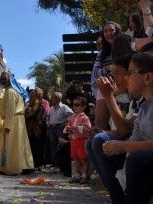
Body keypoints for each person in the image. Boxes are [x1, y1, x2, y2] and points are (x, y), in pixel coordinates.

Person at [86, 54, 144, 204]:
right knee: (93, 139)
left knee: (99, 141)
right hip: (132, 143)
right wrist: (100, 131)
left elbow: (125, 131)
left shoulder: (141, 99)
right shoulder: (135, 100)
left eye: (118, 73)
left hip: (138, 148)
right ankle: (116, 194)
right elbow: (123, 130)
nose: (115, 79)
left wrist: (108, 96)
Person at [102, 52, 153, 204]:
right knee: (102, 146)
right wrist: (115, 147)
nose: (125, 78)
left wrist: (123, 146)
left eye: (130, 73)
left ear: (148, 77)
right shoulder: (144, 108)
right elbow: (134, 138)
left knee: (138, 158)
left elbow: (128, 140)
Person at [0, 71, 34, 175]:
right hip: (18, 120)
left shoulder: (10, 92)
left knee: (12, 145)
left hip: (13, 120)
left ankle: (11, 168)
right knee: (20, 143)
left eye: (5, 79)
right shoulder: (15, 91)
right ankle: (25, 165)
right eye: (2, 79)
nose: (3, 81)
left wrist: (8, 125)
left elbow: (10, 110)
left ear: (10, 79)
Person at [93, 22, 121, 130]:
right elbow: (96, 72)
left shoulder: (125, 46)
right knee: (99, 126)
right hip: (105, 86)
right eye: (105, 31)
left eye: (112, 30)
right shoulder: (101, 53)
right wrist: (109, 68)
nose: (109, 33)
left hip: (122, 86)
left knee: (119, 126)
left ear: (117, 31)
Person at [64, 97, 92, 183]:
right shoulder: (72, 118)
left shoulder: (85, 118)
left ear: (83, 107)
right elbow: (66, 130)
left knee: (84, 159)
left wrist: (73, 128)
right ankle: (77, 175)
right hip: (74, 142)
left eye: (77, 105)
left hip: (81, 141)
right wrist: (68, 129)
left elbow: (87, 129)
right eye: (73, 105)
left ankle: (85, 175)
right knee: (76, 159)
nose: (74, 107)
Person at [46, 92, 74, 165]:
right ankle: (55, 164)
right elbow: (48, 118)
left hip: (60, 127)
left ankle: (62, 164)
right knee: (53, 146)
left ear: (56, 98)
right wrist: (48, 124)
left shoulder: (64, 107)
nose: (51, 99)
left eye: (52, 97)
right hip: (52, 128)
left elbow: (72, 115)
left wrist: (65, 122)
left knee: (61, 145)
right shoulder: (51, 108)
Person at [25, 88, 46, 168]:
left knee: (36, 146)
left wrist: (25, 112)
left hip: (35, 129)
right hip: (31, 128)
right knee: (33, 146)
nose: (30, 96)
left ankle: (38, 164)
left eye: (32, 95)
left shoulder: (37, 104)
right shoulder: (32, 104)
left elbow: (31, 115)